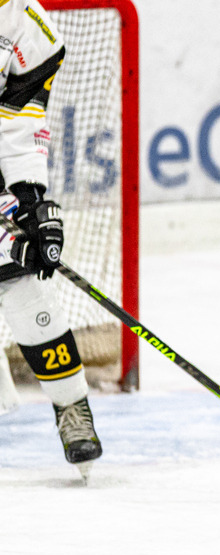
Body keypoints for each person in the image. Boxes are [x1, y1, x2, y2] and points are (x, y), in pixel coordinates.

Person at [0, 0, 102, 476]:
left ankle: (71, 407)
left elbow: (17, 121)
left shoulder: (27, 26)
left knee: (20, 275)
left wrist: (29, 201)